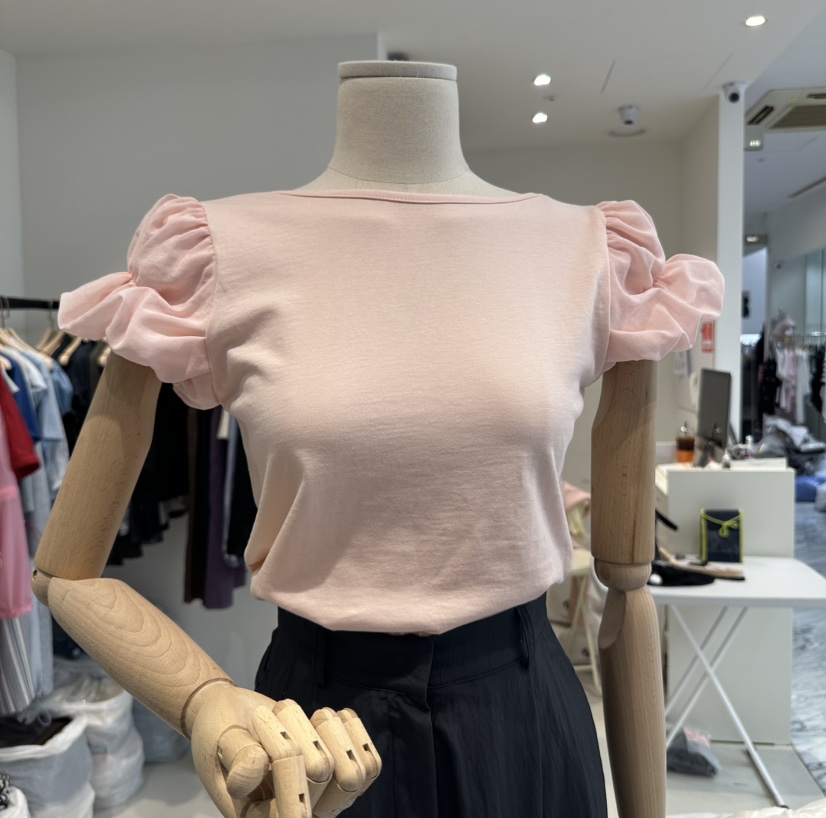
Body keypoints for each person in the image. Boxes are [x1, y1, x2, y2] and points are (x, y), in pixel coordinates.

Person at [41, 60, 724, 817]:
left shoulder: (595, 252)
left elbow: (627, 587)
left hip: (524, 717)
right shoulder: (209, 256)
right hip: (314, 735)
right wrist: (203, 699)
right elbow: (65, 570)